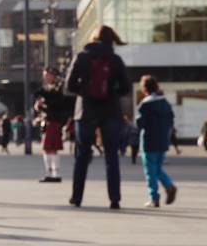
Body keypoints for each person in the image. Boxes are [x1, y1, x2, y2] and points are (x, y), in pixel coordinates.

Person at [64, 25, 131, 209]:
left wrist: (86, 92)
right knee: (111, 157)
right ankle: (114, 198)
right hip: (111, 111)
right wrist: (110, 93)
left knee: (82, 156)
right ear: (112, 39)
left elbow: (69, 85)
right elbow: (126, 87)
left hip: (85, 111)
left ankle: (77, 197)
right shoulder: (115, 59)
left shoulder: (82, 56)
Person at [136, 75, 178, 208]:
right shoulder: (165, 103)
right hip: (162, 141)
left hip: (148, 141)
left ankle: (154, 197)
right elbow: (171, 120)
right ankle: (168, 185)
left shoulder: (145, 104)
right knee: (158, 169)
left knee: (150, 171)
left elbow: (140, 123)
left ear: (145, 90)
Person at [34, 66, 75, 182]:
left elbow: (58, 105)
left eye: (47, 74)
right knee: (46, 148)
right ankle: (49, 172)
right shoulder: (46, 88)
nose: (45, 76)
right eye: (44, 74)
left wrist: (44, 105)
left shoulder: (59, 88)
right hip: (47, 120)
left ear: (53, 75)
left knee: (52, 148)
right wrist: (38, 108)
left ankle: (55, 173)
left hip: (55, 120)